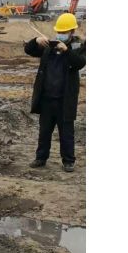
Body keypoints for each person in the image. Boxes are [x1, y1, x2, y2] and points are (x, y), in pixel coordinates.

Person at [24, 12, 86, 172]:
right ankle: (41, 158)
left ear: (72, 31)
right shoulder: (49, 47)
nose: (61, 34)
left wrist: (66, 51)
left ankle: (68, 161)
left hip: (65, 100)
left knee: (66, 133)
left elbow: (80, 63)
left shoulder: (79, 47)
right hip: (46, 99)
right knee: (44, 132)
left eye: (64, 32)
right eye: (59, 31)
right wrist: (36, 41)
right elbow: (28, 50)